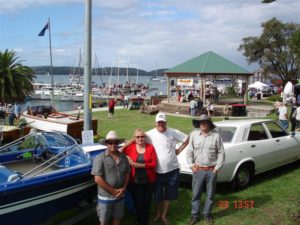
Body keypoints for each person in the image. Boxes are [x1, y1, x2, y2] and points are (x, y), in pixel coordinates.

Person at [146, 112, 188, 225]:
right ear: (155, 123)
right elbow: (137, 138)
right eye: (159, 122)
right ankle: (158, 213)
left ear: (166, 123)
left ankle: (164, 215)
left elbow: (187, 138)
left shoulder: (172, 132)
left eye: (163, 122)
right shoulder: (149, 134)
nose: (161, 124)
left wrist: (179, 150)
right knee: (157, 194)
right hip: (157, 171)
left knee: (169, 194)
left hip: (172, 170)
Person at [186, 114, 225, 225]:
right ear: (199, 124)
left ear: (209, 124)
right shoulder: (194, 135)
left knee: (210, 195)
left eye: (205, 122)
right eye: (201, 122)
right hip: (198, 169)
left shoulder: (216, 136)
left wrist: (217, 168)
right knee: (195, 194)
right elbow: (189, 152)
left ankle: (207, 214)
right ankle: (194, 215)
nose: (203, 124)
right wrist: (191, 165)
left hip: (211, 170)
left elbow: (221, 152)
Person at [91, 130, 131, 225]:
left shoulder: (123, 157)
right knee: (104, 221)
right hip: (105, 197)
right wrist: (113, 191)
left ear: (118, 143)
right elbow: (97, 178)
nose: (113, 145)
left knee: (118, 218)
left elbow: (127, 174)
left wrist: (124, 189)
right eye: (110, 142)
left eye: (115, 142)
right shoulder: (100, 158)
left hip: (120, 195)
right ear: (106, 144)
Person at [121, 128, 157, 225]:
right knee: (137, 203)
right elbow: (121, 151)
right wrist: (128, 156)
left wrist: (140, 165)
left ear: (145, 137)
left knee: (146, 202)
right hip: (135, 181)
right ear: (134, 138)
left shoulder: (150, 148)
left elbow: (154, 164)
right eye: (137, 137)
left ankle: (144, 221)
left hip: (149, 181)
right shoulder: (130, 148)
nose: (140, 139)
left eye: (142, 136)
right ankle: (139, 219)